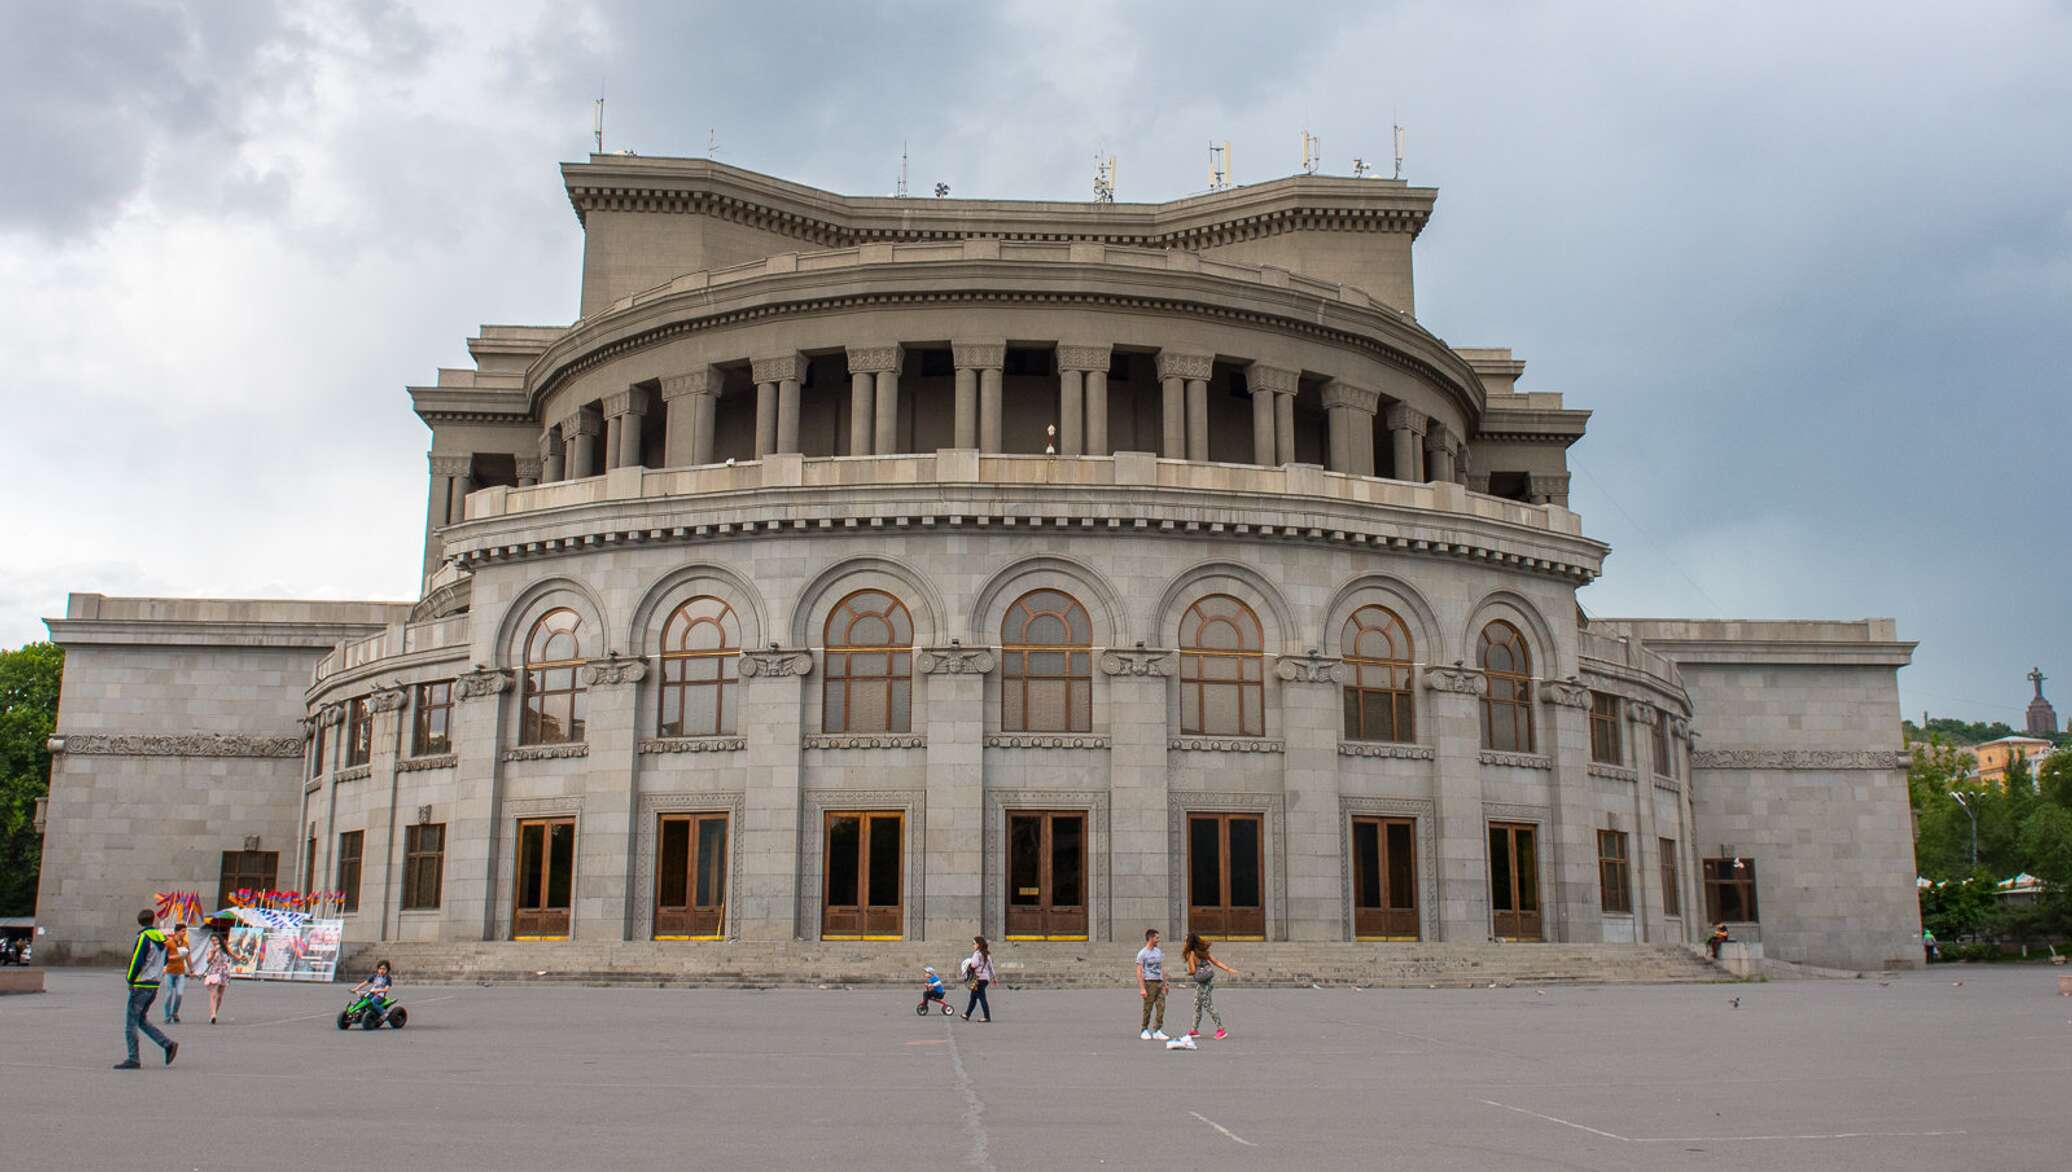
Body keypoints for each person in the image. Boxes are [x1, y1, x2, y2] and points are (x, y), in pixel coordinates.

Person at [115, 909, 177, 1070]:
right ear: (153, 920)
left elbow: (137, 960)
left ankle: (133, 1058)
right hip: (154, 984)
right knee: (141, 1019)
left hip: (142, 983)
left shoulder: (143, 937)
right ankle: (167, 1044)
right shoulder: (162, 939)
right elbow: (165, 959)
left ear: (139, 921)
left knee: (131, 1023)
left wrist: (130, 978)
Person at [1182, 933, 1238, 1041]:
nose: (1184, 943)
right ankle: (1194, 1029)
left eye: (1185, 941)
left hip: (1202, 984)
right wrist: (1228, 969)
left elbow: (1193, 970)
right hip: (1206, 982)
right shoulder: (1203, 952)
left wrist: (1188, 972)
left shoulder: (1191, 954)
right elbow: (1216, 962)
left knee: (1208, 1006)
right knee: (1197, 1004)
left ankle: (1221, 1029)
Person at [197, 919, 236, 1023]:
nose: (214, 942)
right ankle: (213, 1014)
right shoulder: (211, 950)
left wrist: (242, 958)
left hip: (224, 972)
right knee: (213, 994)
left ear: (220, 940)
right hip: (214, 972)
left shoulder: (225, 948)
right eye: (212, 940)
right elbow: (208, 961)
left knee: (220, 996)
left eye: (216, 940)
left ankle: (214, 1014)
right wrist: (213, 953)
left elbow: (234, 956)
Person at [1136, 928, 1168, 1041]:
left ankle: (1157, 1030)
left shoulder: (1158, 951)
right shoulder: (1142, 953)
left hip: (1159, 982)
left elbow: (1162, 968)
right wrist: (1142, 988)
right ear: (1150, 938)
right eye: (1157, 937)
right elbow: (1139, 971)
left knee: (1161, 1007)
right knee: (1148, 1008)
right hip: (1149, 982)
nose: (1158, 940)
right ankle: (1144, 1029)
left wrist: (1165, 984)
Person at [161, 922, 190, 1024]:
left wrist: (192, 970)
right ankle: (167, 1015)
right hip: (170, 971)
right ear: (177, 932)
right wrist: (174, 957)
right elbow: (164, 957)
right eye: (183, 931)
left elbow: (188, 957)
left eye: (185, 931)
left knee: (179, 993)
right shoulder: (169, 943)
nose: (184, 933)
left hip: (180, 972)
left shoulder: (185, 943)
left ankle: (175, 1012)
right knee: (169, 993)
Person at [961, 936, 994, 1022]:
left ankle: (987, 1017)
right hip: (985, 979)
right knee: (973, 997)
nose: (973, 945)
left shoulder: (977, 954)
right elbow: (991, 967)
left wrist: (969, 964)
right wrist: (994, 977)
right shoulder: (987, 954)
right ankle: (967, 1014)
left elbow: (974, 965)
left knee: (982, 998)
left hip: (978, 979)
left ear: (978, 944)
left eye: (974, 943)